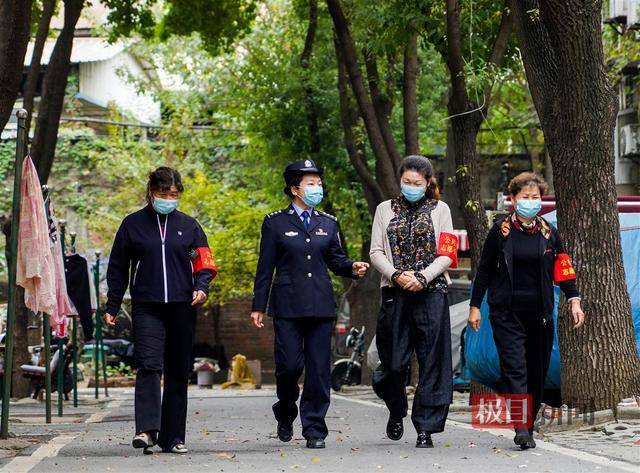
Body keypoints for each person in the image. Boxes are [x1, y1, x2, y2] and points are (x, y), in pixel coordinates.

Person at [250, 159, 369, 449]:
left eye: (318, 183)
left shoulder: (328, 223)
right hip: (288, 305)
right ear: (294, 189)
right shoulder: (274, 222)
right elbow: (265, 267)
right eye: (310, 183)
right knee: (289, 366)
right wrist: (258, 306)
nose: (317, 188)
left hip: (320, 305)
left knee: (318, 370)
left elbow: (336, 259)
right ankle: (286, 411)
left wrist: (352, 266)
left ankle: (315, 428)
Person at [467, 172, 585, 450]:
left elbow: (564, 269)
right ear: (513, 199)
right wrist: (475, 306)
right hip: (506, 313)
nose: (530, 202)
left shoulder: (549, 232)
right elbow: (484, 270)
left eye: (535, 198)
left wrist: (574, 299)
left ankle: (527, 426)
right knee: (515, 368)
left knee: (536, 371)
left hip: (540, 314)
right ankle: (521, 428)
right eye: (525, 197)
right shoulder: (501, 231)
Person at [104, 167, 217, 454]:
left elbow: (203, 262)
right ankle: (146, 429)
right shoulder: (132, 225)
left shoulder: (189, 226)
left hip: (182, 306)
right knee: (149, 365)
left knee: (178, 371)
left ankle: (173, 437)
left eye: (174, 194)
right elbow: (117, 267)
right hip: (147, 306)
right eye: (163, 193)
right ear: (151, 192)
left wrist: (202, 286)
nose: (169, 198)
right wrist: (113, 304)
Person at [369, 155, 457, 448]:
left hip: (431, 292)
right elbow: (376, 251)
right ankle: (396, 408)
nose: (411, 186)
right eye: (406, 182)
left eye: (416, 183)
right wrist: (396, 275)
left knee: (433, 360)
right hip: (395, 292)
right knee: (393, 363)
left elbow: (447, 252)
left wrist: (423, 277)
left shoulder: (441, 209)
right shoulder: (384, 209)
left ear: (428, 182)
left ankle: (425, 428)